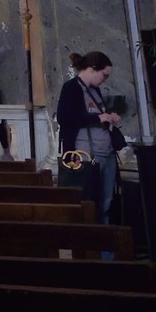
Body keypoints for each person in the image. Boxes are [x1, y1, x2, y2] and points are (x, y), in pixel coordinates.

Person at [55, 50, 123, 225]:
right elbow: (64, 117)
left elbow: (94, 113)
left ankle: (106, 250)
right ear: (92, 69)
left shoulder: (95, 90)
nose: (105, 79)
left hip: (106, 152)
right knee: (89, 203)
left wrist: (109, 116)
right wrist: (97, 118)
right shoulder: (71, 88)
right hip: (86, 155)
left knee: (107, 202)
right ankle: (93, 249)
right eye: (104, 75)